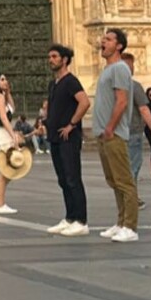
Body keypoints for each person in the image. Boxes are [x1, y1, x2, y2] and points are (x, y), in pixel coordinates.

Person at [91, 28, 139, 242]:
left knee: (124, 181)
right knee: (114, 180)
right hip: (104, 133)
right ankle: (120, 222)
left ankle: (130, 227)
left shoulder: (120, 68)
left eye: (108, 39)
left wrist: (110, 127)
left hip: (114, 134)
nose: (103, 41)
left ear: (119, 46)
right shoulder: (108, 69)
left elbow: (122, 101)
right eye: (104, 38)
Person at [44, 44, 91, 236]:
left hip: (69, 138)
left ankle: (81, 221)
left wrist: (72, 124)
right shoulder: (53, 84)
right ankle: (70, 217)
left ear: (64, 60)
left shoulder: (71, 81)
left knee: (72, 178)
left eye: (54, 56)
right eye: (50, 57)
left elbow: (85, 102)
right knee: (63, 179)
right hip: (55, 137)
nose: (51, 60)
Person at [120, 55, 151, 200]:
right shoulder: (134, 86)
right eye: (131, 66)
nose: (132, 69)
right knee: (133, 166)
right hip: (133, 131)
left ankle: (125, 197)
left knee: (121, 168)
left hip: (116, 132)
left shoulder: (110, 85)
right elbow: (144, 109)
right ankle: (131, 199)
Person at [0, 70, 23, 215]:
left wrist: (8, 92)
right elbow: (4, 118)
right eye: (2, 79)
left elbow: (12, 108)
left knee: (11, 168)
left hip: (1, 133)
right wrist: (13, 135)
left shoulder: (0, 96)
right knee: (6, 170)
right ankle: (0, 204)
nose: (5, 81)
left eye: (5, 79)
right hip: (2, 135)